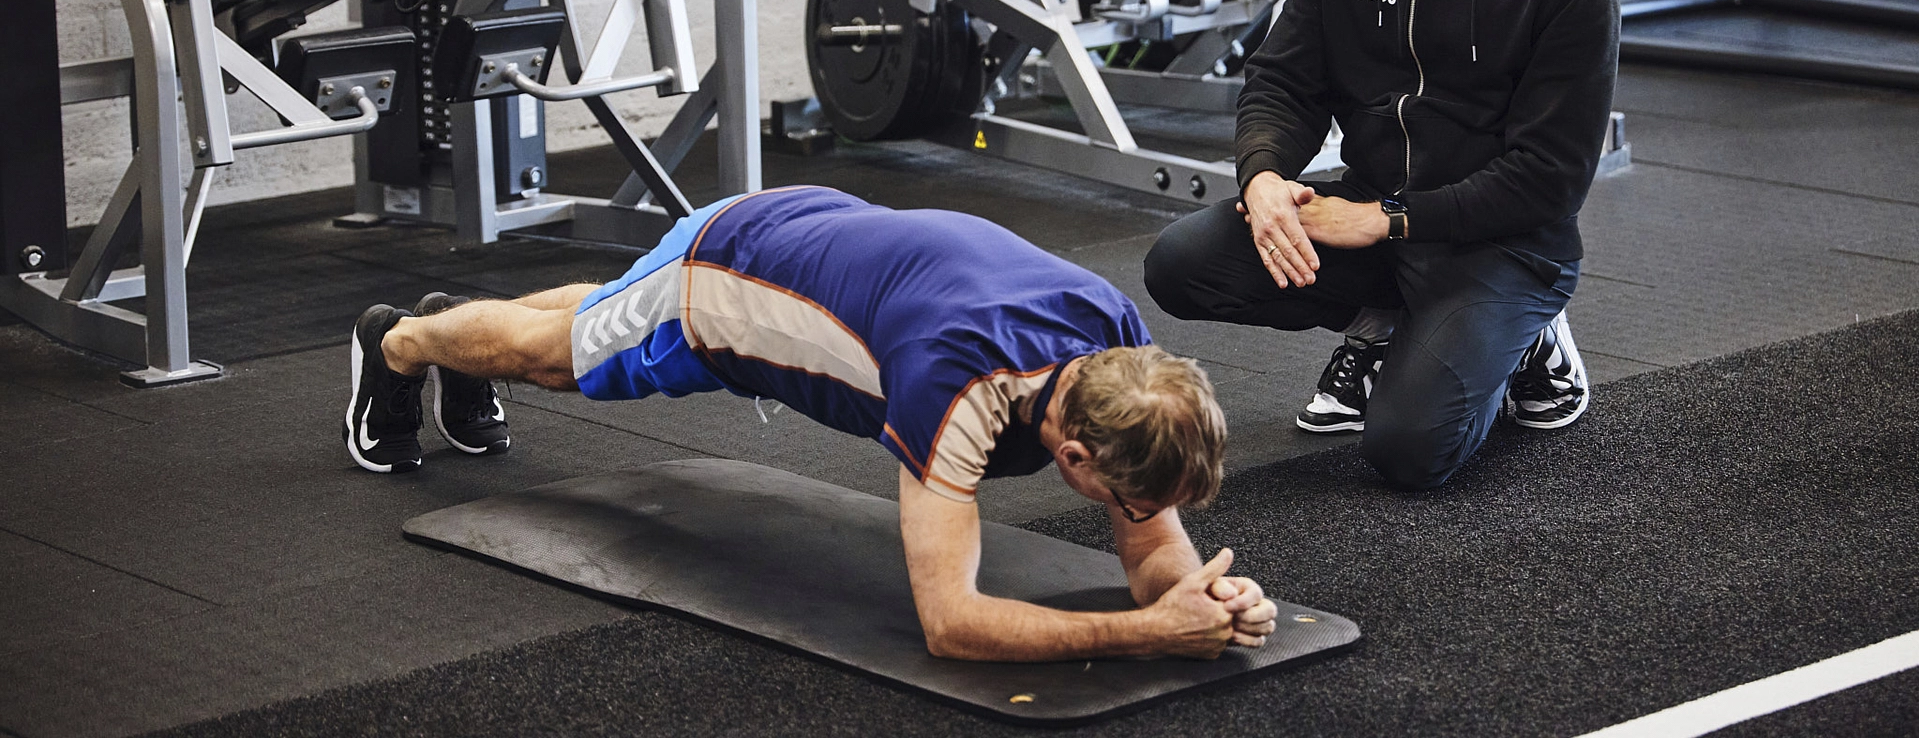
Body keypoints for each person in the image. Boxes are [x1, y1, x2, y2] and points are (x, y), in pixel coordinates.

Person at [344, 185, 1278, 662]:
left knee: (602, 313)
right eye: (1121, 497)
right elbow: (951, 624)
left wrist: (1195, 597)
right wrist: (1145, 634)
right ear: (1071, 455)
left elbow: (1153, 538)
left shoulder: (1122, 357)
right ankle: (404, 343)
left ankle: (462, 331)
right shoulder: (958, 387)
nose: (1139, 517)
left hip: (819, 238)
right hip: (730, 272)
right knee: (562, 360)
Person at [1144, 0, 1618, 491]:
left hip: (1503, 246)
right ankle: (1392, 315)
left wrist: (1384, 218)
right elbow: (1285, 80)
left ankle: (1530, 340)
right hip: (1374, 221)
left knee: (1406, 451)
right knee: (1182, 266)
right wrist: (1263, 177)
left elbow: (1550, 178)